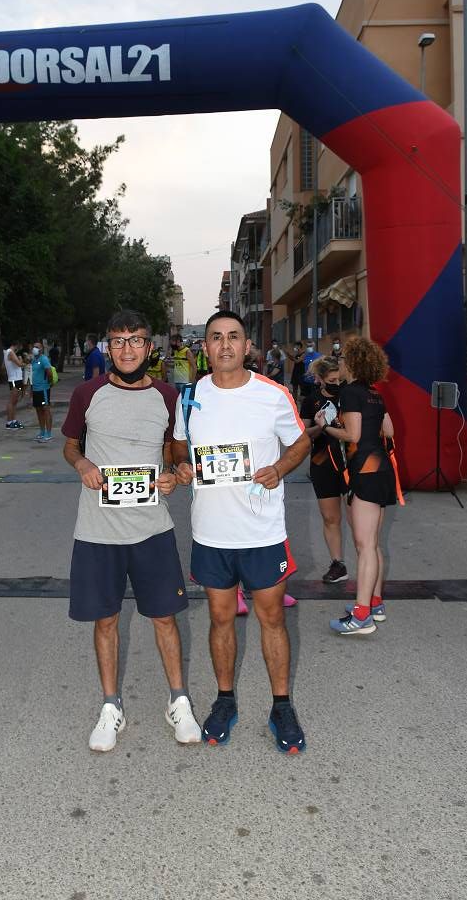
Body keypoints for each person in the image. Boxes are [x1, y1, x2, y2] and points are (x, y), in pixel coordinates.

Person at [62, 309, 201, 752]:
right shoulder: (87, 394)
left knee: (164, 617)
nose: (126, 349)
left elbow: (174, 451)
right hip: (98, 529)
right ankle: (110, 707)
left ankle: (178, 701)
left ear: (148, 347)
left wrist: (175, 474)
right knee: (105, 619)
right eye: (117, 341)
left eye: (135, 340)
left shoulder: (166, 396)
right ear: (107, 347)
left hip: (151, 528)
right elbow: (70, 444)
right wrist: (81, 463)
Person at [173, 310, 311, 753]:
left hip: (262, 533)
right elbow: (178, 440)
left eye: (234, 337)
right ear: (205, 347)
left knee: (272, 619)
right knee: (220, 619)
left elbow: (301, 441)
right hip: (211, 534)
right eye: (216, 338)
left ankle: (282, 704)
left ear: (247, 345)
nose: (225, 345)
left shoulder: (273, 395)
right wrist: (181, 463)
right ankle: (225, 699)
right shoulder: (190, 395)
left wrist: (278, 468)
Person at [316, 337, 400, 636]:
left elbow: (351, 434)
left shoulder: (351, 393)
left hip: (364, 472)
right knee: (373, 543)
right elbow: (388, 430)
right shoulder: (375, 394)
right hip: (382, 470)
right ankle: (374, 604)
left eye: (342, 358)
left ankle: (361, 615)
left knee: (364, 546)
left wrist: (325, 425)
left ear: (351, 362)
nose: (339, 361)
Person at [300, 357, 350, 583]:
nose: (336, 383)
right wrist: (321, 428)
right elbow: (303, 434)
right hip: (323, 464)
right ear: (319, 379)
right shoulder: (311, 400)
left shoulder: (349, 396)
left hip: (351, 463)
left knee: (357, 518)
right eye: (331, 380)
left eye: (338, 379)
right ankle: (338, 564)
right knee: (331, 518)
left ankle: (367, 558)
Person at [30, 341, 53, 442]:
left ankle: (48, 434)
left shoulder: (44, 359)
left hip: (43, 389)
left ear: (41, 349)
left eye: (37, 347)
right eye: (34, 346)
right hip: (35, 389)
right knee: (38, 410)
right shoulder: (34, 360)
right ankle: (42, 432)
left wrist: (49, 383)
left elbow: (49, 372)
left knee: (45, 410)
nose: (34, 348)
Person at [3, 340, 25, 428]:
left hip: (18, 379)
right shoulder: (10, 352)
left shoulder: (8, 353)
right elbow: (19, 364)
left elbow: (3, 367)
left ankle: (13, 420)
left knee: (15, 401)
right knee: (12, 401)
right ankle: (9, 422)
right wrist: (21, 359)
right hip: (14, 379)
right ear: (16, 345)